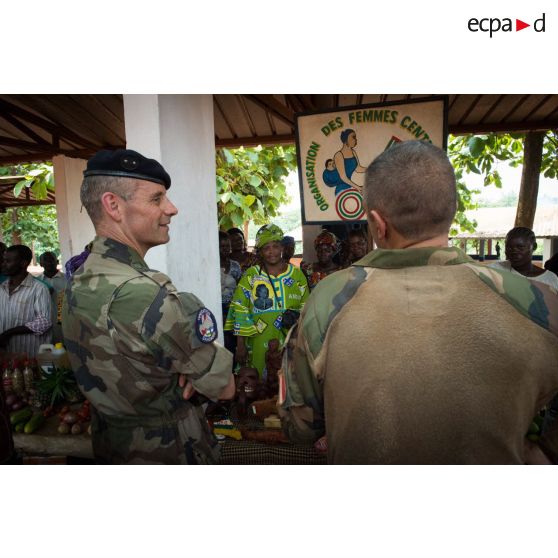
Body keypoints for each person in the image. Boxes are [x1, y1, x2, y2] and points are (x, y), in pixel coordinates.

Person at [279, 140, 558, 465]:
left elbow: (298, 424)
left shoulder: (329, 299)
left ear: (377, 224)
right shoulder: (533, 299)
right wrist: (547, 449)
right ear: (452, 209)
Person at [62, 148, 235, 464]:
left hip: (112, 447)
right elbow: (224, 387)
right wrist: (190, 375)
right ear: (113, 205)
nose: (172, 209)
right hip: (167, 452)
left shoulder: (81, 275)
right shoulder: (145, 293)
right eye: (156, 199)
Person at [224, 224, 309, 379]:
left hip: (290, 339)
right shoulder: (251, 275)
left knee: (289, 380)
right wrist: (240, 345)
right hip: (256, 341)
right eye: (266, 248)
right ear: (260, 252)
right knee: (257, 383)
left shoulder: (297, 275)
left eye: (275, 246)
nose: (271, 252)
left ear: (282, 247)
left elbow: (306, 309)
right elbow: (240, 308)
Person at [0, 245, 52, 358]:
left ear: (23, 263)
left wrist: (9, 333)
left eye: (8, 261)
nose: (3, 264)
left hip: (31, 357)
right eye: (3, 260)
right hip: (6, 357)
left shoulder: (39, 289)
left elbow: (44, 322)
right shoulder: (1, 288)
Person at [489, 227, 558, 290]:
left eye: (520, 247)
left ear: (534, 247)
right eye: (509, 247)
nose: (514, 252)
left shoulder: (550, 279)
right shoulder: (494, 270)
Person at [322, 129, 367, 194]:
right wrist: (359, 188)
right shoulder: (339, 155)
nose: (355, 139)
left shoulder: (353, 152)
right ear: (346, 140)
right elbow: (343, 177)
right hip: (341, 190)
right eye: (353, 137)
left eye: (355, 137)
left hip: (350, 187)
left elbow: (358, 168)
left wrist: (372, 169)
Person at [219, 231, 242, 356]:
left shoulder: (235, 266)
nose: (226, 249)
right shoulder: (212, 265)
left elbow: (239, 288)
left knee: (232, 342)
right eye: (222, 247)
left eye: (227, 246)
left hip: (232, 309)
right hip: (217, 308)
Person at [37, 251, 67, 344]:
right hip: (43, 322)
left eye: (52, 260)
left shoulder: (67, 280)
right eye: (45, 260)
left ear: (57, 262)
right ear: (41, 264)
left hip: (63, 321)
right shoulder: (37, 282)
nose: (49, 262)